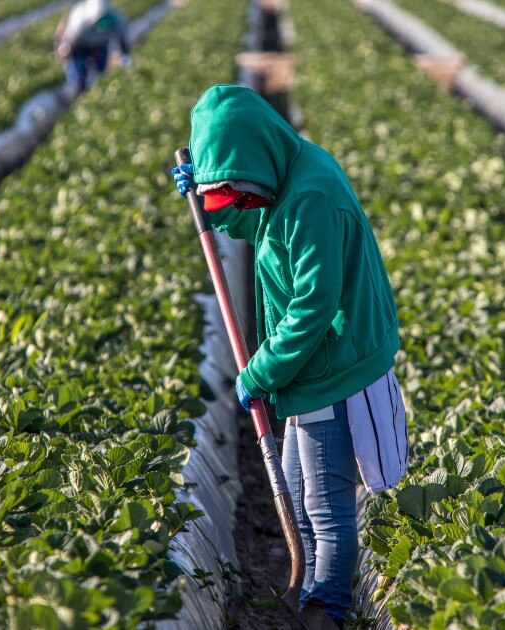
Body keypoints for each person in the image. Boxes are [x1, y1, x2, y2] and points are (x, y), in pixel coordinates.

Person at [172, 85, 408, 628]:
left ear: (255, 166)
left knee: (326, 505)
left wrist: (260, 371)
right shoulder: (284, 175)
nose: (235, 206)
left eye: (233, 194)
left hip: (332, 364)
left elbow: (313, 306)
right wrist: (205, 196)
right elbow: (259, 219)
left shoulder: (309, 198)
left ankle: (326, 607)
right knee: (297, 488)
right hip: (310, 363)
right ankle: (307, 586)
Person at [55, 0, 132, 92]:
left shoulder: (116, 19)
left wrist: (125, 54)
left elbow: (122, 38)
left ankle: (99, 91)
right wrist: (65, 52)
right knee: (78, 73)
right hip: (80, 45)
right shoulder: (79, 20)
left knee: (102, 72)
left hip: (100, 45)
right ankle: (77, 91)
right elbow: (70, 41)